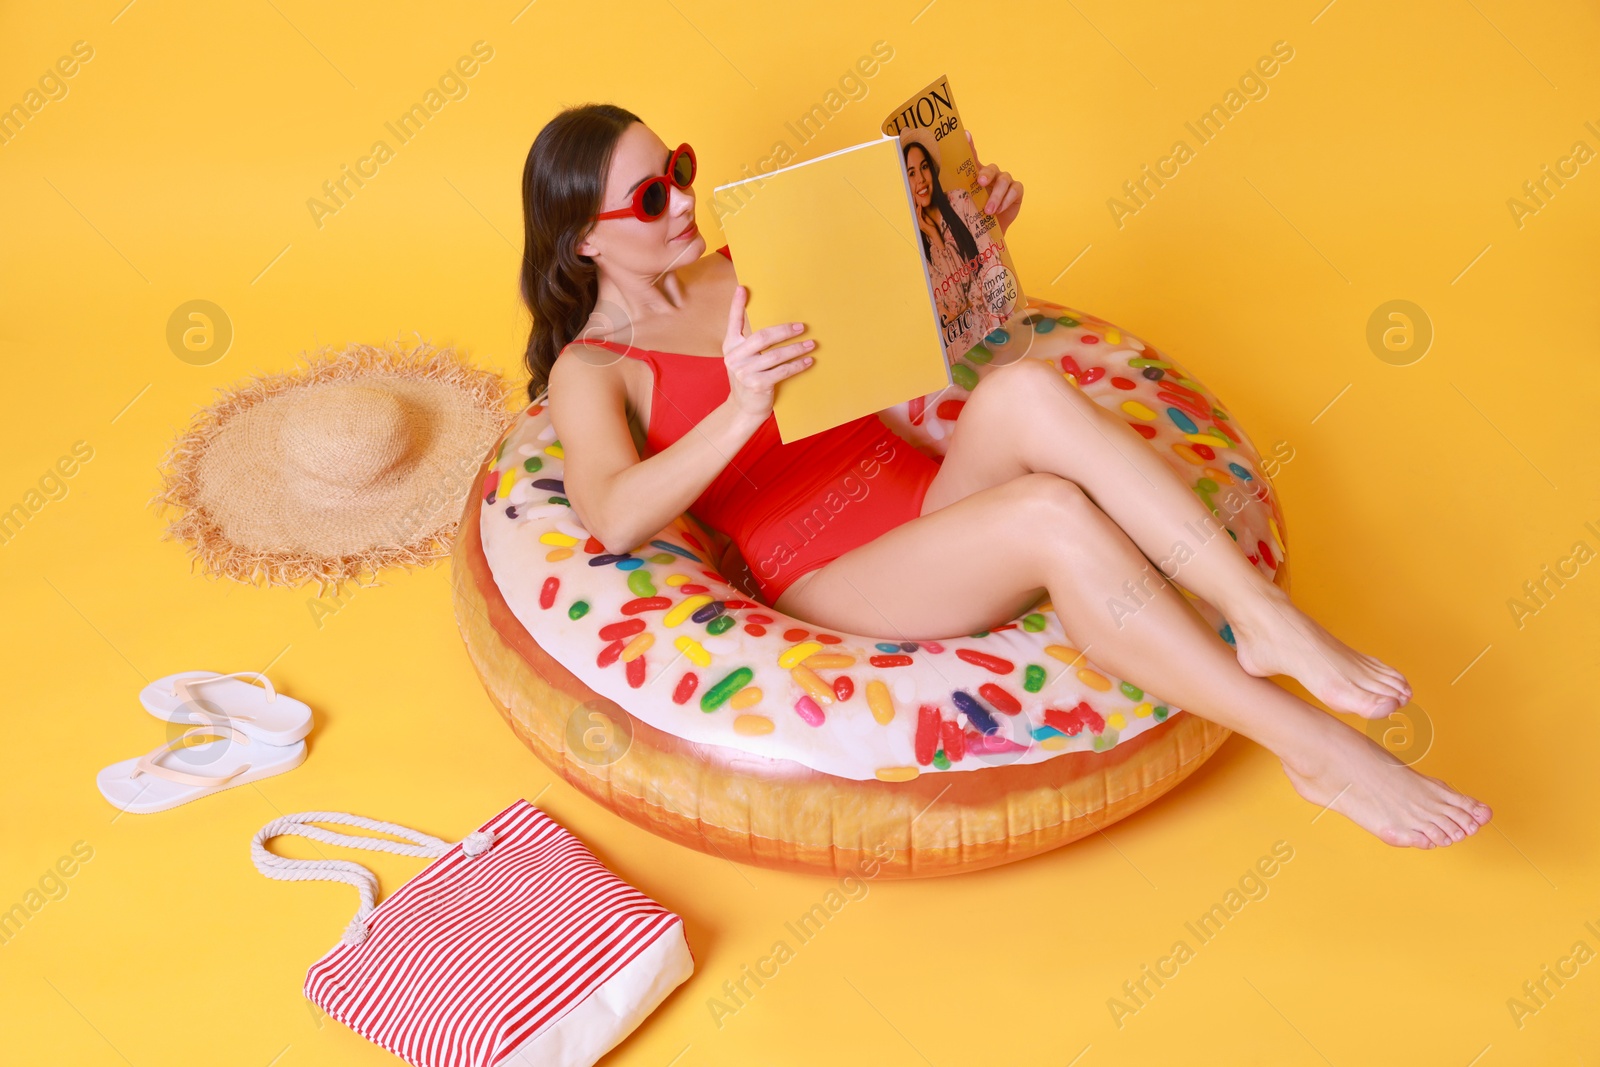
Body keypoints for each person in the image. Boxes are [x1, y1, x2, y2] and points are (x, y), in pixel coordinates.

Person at [519, 104, 1492, 850]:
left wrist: (968, 239)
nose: (686, 201)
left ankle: (1265, 620)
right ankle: (1317, 752)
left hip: (923, 492)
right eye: (652, 198)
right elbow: (612, 517)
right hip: (833, 570)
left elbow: (901, 351)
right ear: (586, 239)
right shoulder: (594, 368)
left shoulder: (747, 265)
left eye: (679, 170)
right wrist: (739, 408)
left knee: (1025, 389)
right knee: (1045, 512)